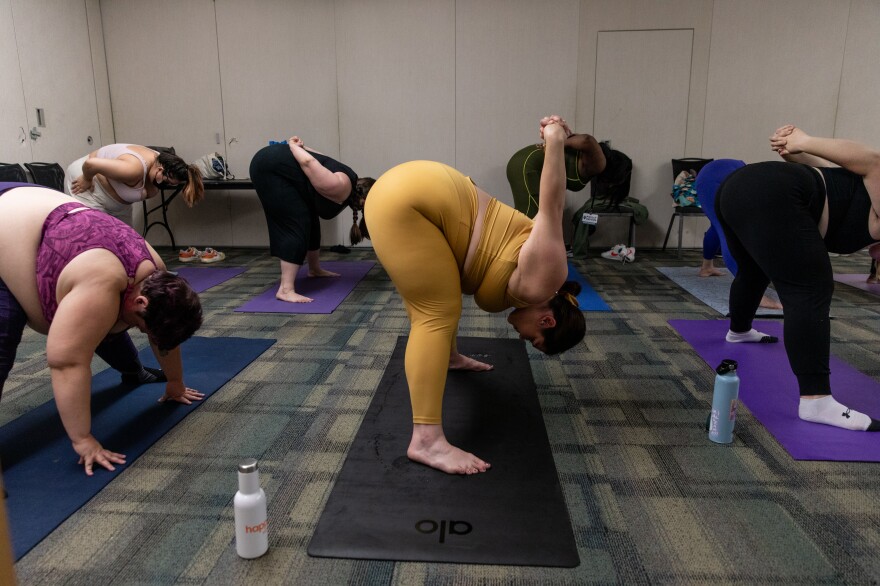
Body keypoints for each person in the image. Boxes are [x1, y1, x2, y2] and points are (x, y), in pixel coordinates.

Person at [364, 117, 586, 475]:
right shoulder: (545, 280)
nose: (521, 337)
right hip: (408, 202)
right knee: (435, 313)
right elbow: (553, 207)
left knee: (442, 298)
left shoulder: (531, 282)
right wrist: (556, 139)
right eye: (533, 339)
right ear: (548, 320)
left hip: (413, 191)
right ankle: (427, 441)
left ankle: (448, 356)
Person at [0, 183, 205, 474]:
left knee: (103, 320)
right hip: (8, 219)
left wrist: (176, 382)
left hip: (39, 207)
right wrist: (82, 439)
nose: (147, 335)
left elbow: (161, 335)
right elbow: (66, 361)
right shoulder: (101, 284)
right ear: (142, 301)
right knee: (5, 334)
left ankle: (133, 369)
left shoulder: (156, 274)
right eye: (146, 329)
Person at [714, 125, 880, 432]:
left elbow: (832, 177)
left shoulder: (866, 201)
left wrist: (797, 154)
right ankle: (816, 400)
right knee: (811, 287)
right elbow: (874, 161)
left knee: (754, 269)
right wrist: (805, 142)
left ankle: (739, 331)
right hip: (766, 191)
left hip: (738, 187)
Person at [249, 138, 374, 303]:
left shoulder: (348, 181)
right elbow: (308, 161)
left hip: (275, 165)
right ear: (363, 200)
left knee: (310, 216)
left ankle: (314, 269)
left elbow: (318, 157)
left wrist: (301, 146)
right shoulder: (340, 186)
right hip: (269, 168)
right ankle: (286, 290)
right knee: (296, 221)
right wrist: (292, 146)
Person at [695, 159, 782, 310]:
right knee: (726, 231)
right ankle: (755, 295)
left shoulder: (755, 180)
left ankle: (706, 267)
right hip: (710, 181)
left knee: (716, 226)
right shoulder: (758, 183)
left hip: (712, 177)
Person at [506, 116, 631, 219]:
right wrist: (556, 142)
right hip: (527, 164)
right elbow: (588, 140)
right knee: (530, 221)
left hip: (528, 164)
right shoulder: (600, 164)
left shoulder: (588, 162)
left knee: (540, 223)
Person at [65, 144, 204, 226]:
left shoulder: (162, 162)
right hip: (87, 180)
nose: (164, 185)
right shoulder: (134, 169)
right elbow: (91, 165)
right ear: (160, 169)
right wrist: (87, 179)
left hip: (118, 204)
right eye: (166, 181)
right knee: (94, 237)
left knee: (128, 241)